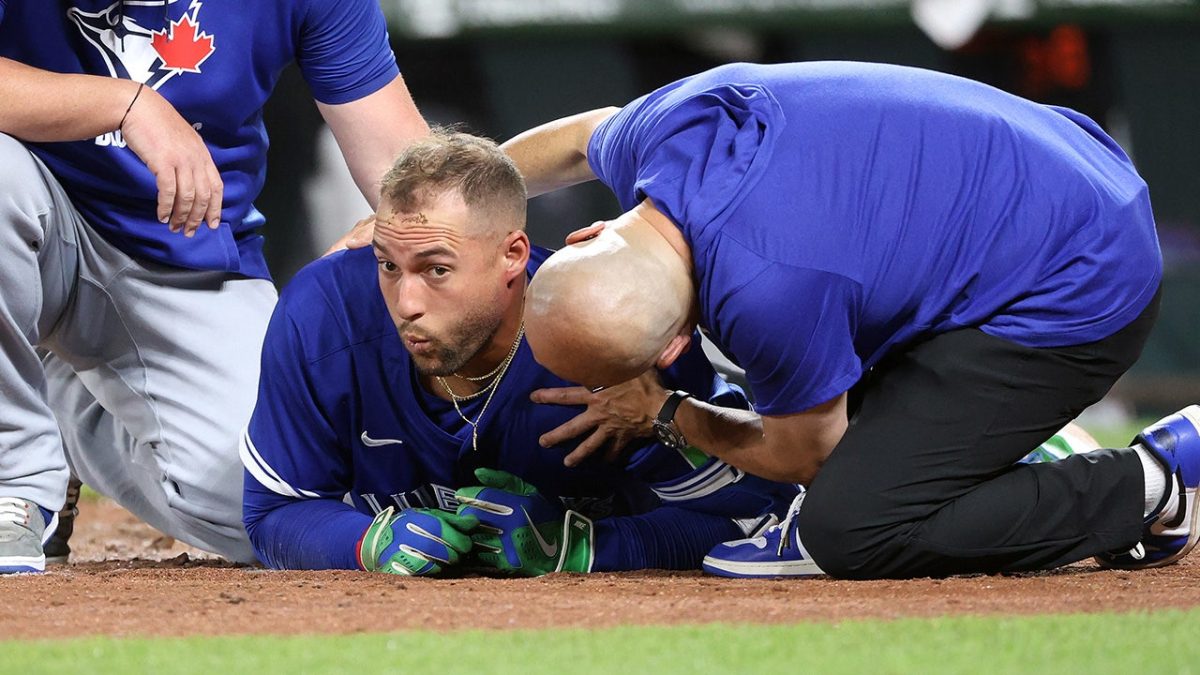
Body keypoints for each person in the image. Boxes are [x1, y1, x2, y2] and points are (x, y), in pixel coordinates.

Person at [503, 61, 1199, 579]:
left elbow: (804, 452)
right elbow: (573, 142)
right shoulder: (666, 132)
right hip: (1062, 167)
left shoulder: (771, 292)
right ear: (589, 235)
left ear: (674, 342)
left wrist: (663, 409)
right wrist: (441, 206)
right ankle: (987, 448)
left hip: (1082, 278)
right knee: (843, 375)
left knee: (850, 525)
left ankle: (1151, 483)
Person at [240, 131, 798, 575]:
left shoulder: (604, 328)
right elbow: (272, 513)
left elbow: (755, 513)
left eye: (437, 269)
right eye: (389, 264)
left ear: (513, 256)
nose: (405, 303)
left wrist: (592, 549)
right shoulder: (326, 314)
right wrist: (366, 542)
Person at [0, 0, 429, 574]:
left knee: (270, 504)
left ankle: (74, 417)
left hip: (185, 254)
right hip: (32, 219)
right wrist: (126, 104)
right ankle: (14, 480)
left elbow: (403, 167)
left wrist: (417, 219)